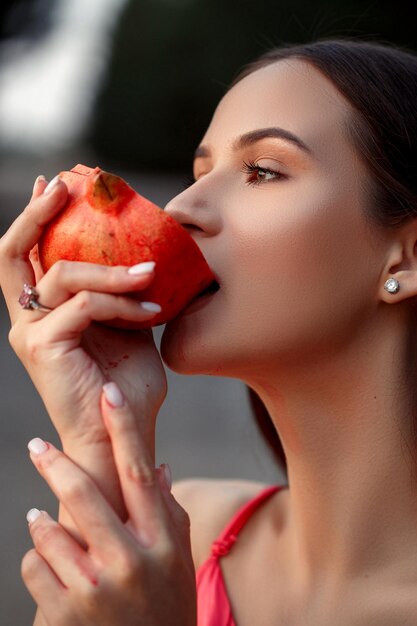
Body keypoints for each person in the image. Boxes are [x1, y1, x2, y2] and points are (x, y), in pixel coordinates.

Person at [1, 37, 417, 625]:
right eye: (199, 172)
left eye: (262, 171)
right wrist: (103, 419)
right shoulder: (182, 536)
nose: (179, 209)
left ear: (408, 256)